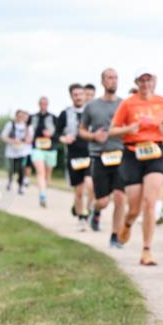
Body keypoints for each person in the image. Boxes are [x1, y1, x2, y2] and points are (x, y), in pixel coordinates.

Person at [109, 68, 163, 266]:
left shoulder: (162, 102)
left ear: (154, 81)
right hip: (133, 153)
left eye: (149, 80)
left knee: (149, 202)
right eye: (142, 81)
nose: (145, 84)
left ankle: (146, 250)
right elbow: (113, 130)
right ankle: (127, 223)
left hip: (155, 153)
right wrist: (129, 129)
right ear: (136, 82)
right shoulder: (128, 103)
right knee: (134, 207)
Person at [80, 68, 127, 247]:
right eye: (109, 78)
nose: (113, 81)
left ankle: (115, 236)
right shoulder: (92, 106)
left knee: (120, 197)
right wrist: (93, 136)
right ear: (102, 81)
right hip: (100, 156)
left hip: (121, 155)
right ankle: (96, 211)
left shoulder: (124, 105)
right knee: (103, 201)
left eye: (116, 77)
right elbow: (82, 130)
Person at [58, 84, 93, 231]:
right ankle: (82, 217)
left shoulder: (92, 111)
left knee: (90, 185)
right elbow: (57, 133)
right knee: (78, 190)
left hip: (91, 153)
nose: (78, 97)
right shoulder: (65, 113)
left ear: (85, 95)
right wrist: (63, 138)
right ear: (71, 96)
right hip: (74, 155)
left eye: (80, 94)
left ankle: (88, 210)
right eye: (75, 94)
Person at [28, 97, 58, 208]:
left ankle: (44, 191)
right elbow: (28, 130)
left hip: (50, 149)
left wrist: (51, 134)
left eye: (45, 103)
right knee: (41, 172)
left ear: (48, 104)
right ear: (38, 104)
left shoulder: (54, 118)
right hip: (37, 148)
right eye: (41, 103)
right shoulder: (33, 117)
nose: (43, 105)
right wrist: (28, 137)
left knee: (47, 175)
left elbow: (58, 134)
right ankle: (42, 195)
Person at [0, 110, 32, 194]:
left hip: (21, 152)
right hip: (11, 151)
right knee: (12, 169)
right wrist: (12, 141)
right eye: (19, 116)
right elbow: (3, 137)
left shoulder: (26, 126)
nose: (21, 118)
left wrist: (23, 140)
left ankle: (20, 186)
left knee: (21, 169)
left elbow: (29, 139)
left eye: (22, 116)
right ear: (16, 116)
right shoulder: (10, 125)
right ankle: (10, 181)